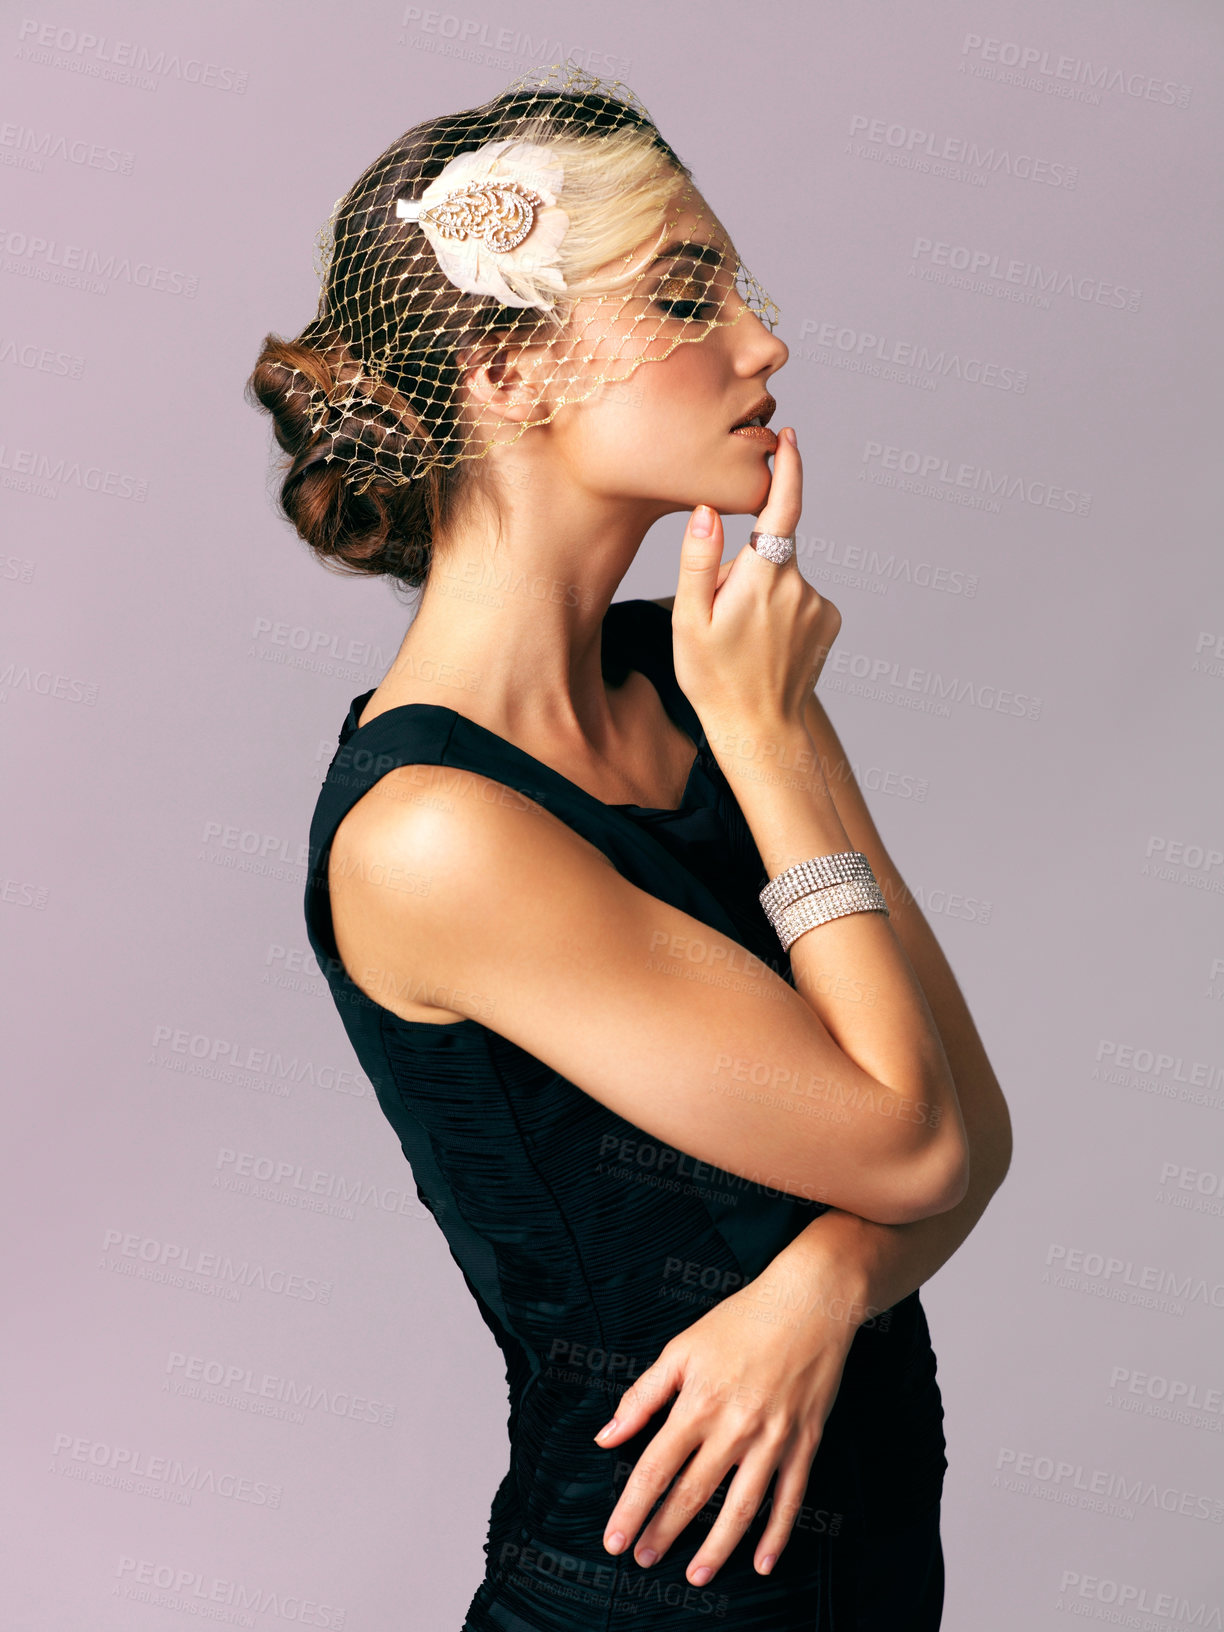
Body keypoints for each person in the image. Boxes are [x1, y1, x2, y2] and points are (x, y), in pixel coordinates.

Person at [247, 61, 1012, 1631]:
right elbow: (912, 1151)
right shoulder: (432, 833)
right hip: (642, 1596)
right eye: (686, 294)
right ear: (506, 371)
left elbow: (974, 1122)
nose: (764, 340)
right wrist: (779, 744)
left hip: (866, 1583)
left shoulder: (707, 673)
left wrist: (823, 1287)